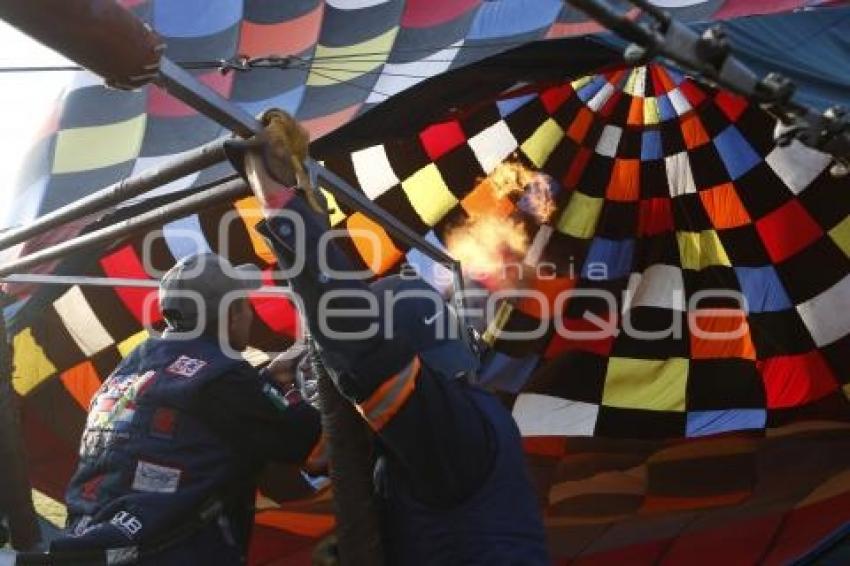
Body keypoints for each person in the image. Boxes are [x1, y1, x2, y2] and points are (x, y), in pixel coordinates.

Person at [227, 110, 549, 564]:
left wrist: (283, 206)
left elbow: (356, 341)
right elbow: (318, 448)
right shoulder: (449, 424)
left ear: (409, 355)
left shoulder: (445, 422)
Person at [51, 252, 321, 565]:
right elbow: (304, 439)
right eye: (245, 303)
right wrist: (288, 390)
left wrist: (267, 384)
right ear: (232, 313)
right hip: (168, 554)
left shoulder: (131, 364)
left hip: (91, 541)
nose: (250, 313)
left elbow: (198, 413)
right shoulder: (224, 375)